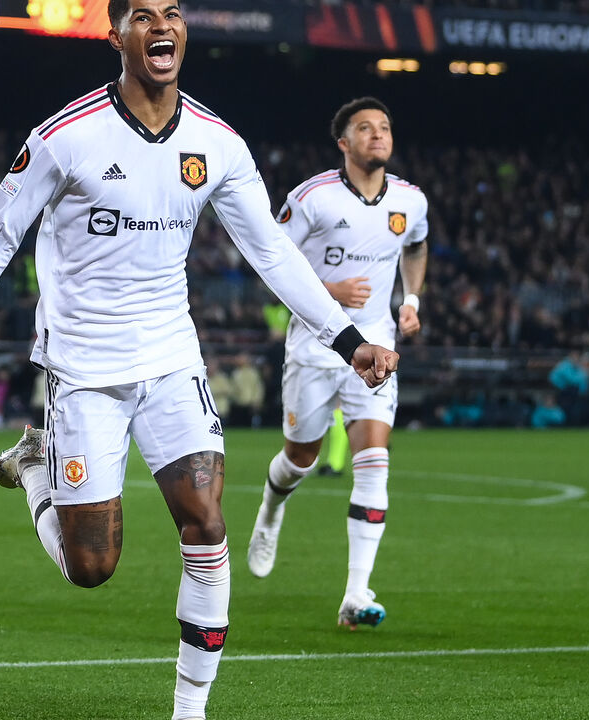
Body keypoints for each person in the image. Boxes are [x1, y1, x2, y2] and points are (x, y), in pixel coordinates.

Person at [0, 4, 398, 718]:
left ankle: (189, 711)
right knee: (92, 568)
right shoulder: (65, 136)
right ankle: (38, 466)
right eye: (142, 15)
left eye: (172, 12)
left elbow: (272, 252)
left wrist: (349, 342)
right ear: (117, 36)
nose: (161, 24)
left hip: (171, 359)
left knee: (206, 518)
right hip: (83, 369)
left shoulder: (217, 142)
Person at [245, 96, 428, 631]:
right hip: (314, 345)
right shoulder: (312, 199)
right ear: (343, 144)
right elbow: (269, 259)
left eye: (385, 127)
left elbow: (415, 248)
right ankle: (272, 508)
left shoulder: (411, 201)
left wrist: (410, 302)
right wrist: (327, 289)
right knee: (300, 459)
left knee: (374, 462)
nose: (379, 134)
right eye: (365, 128)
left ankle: (355, 595)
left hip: (377, 347)